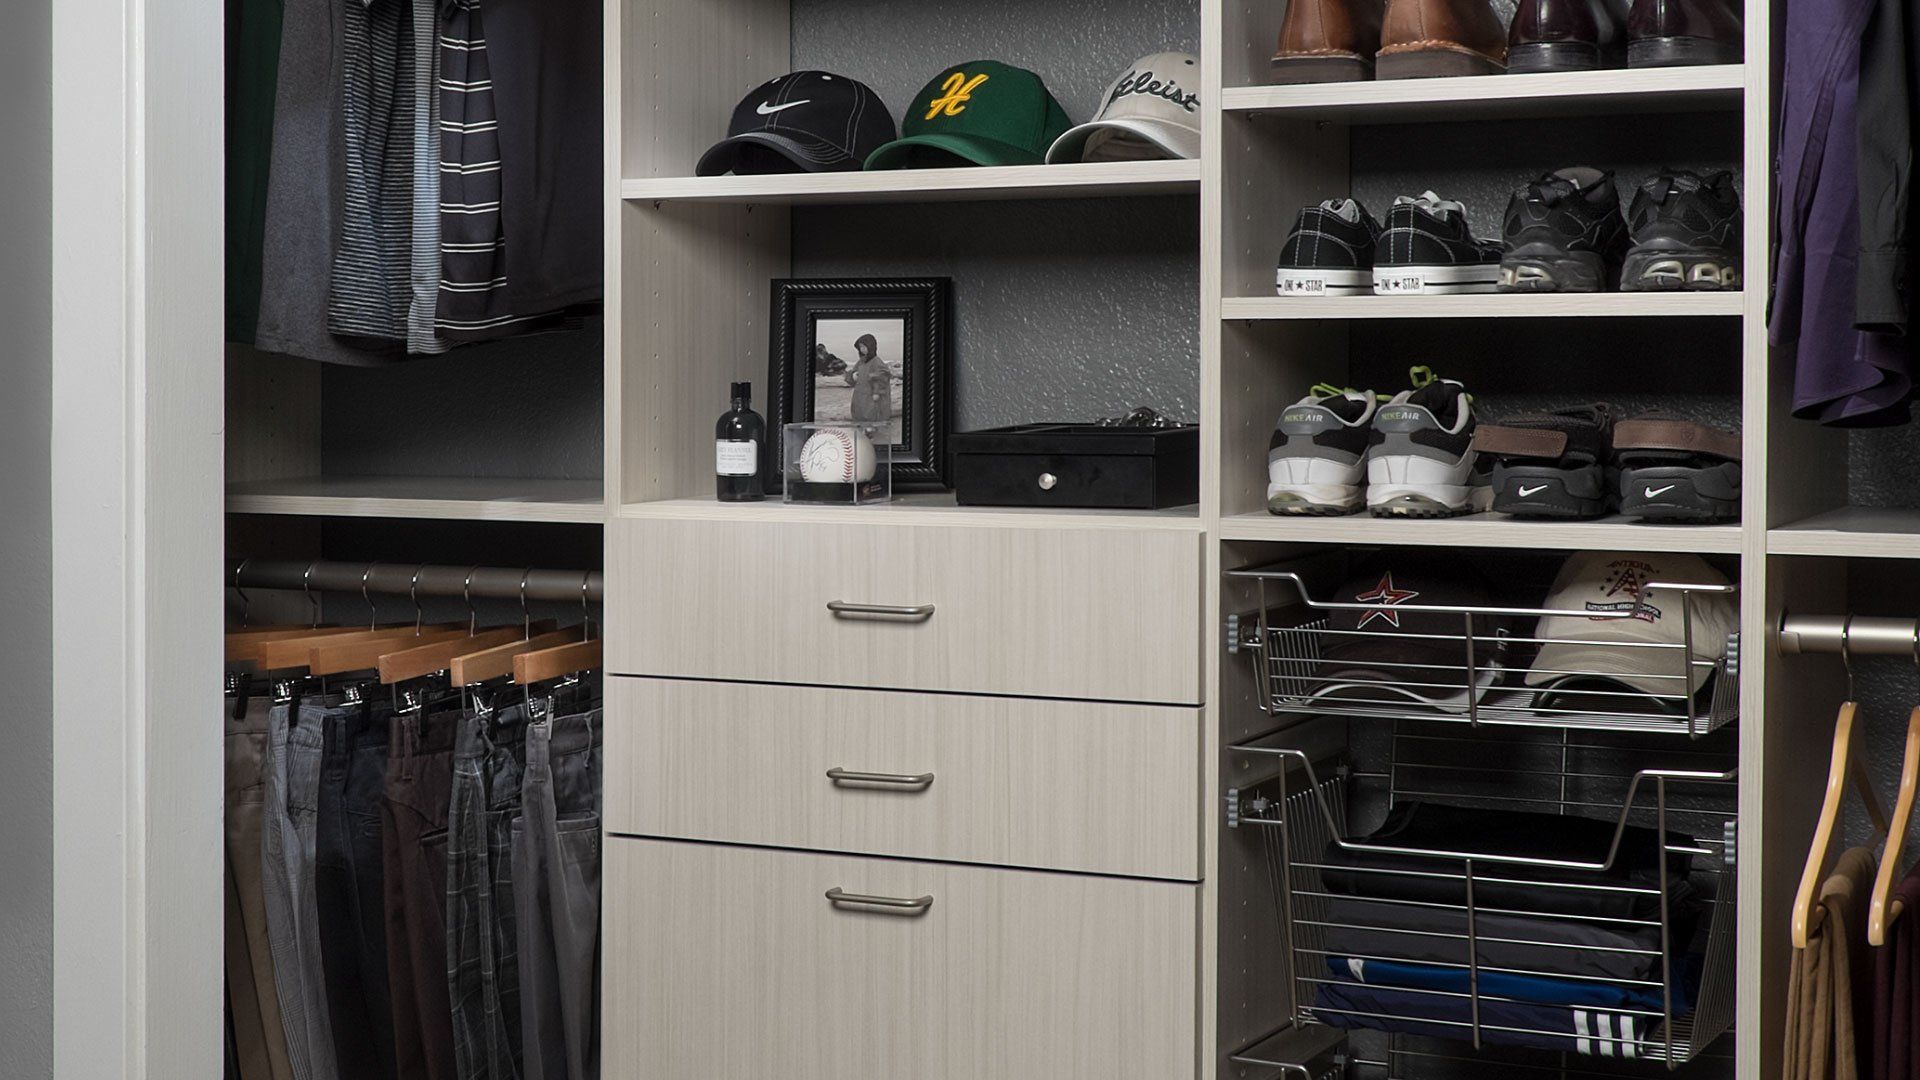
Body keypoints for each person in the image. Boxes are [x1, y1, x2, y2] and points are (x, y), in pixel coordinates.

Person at [845, 334, 893, 426]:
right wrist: (852, 376)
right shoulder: (861, 361)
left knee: (872, 419)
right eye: (860, 347)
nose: (862, 349)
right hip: (859, 396)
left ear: (871, 346)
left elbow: (882, 377)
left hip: (871, 397)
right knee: (859, 417)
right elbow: (851, 375)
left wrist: (877, 392)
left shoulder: (877, 361)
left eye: (864, 346)